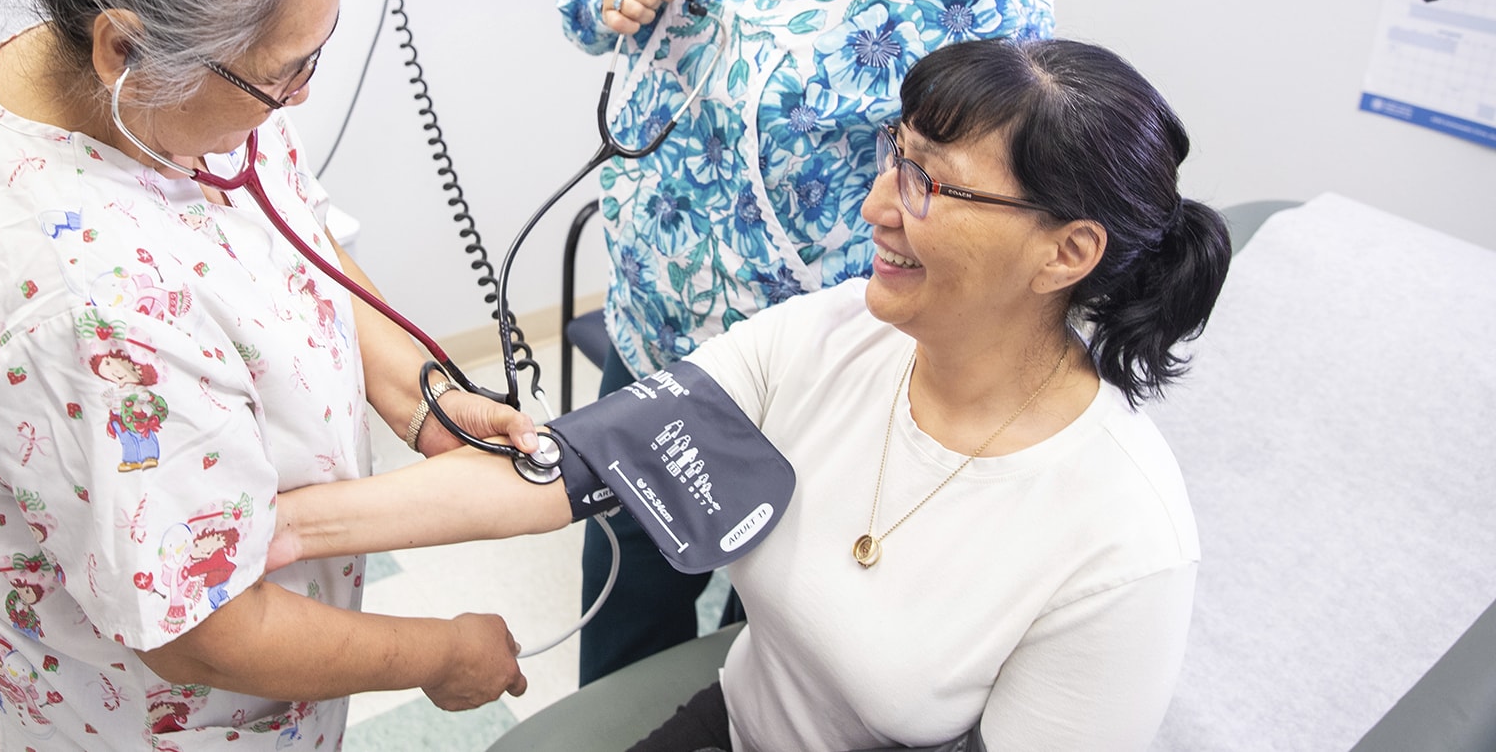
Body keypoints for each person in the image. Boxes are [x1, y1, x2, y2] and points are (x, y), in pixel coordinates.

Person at [269, 37, 1233, 752]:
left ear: (1067, 252)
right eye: (897, 158)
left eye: (934, 186)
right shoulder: (834, 337)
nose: (878, 208)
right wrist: (280, 525)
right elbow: (566, 466)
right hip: (732, 729)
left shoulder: (1121, 542)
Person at [0, 0, 540, 749]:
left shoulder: (114, 83)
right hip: (165, 716)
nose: (301, 95)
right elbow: (201, 632)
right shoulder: (88, 308)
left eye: (316, 50)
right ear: (124, 45)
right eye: (284, 73)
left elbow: (292, 229)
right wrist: (443, 653)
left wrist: (418, 395)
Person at [554, 0, 1056, 682]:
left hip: (823, 386)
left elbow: (999, 206)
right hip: (652, 334)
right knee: (625, 619)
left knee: (775, 667)